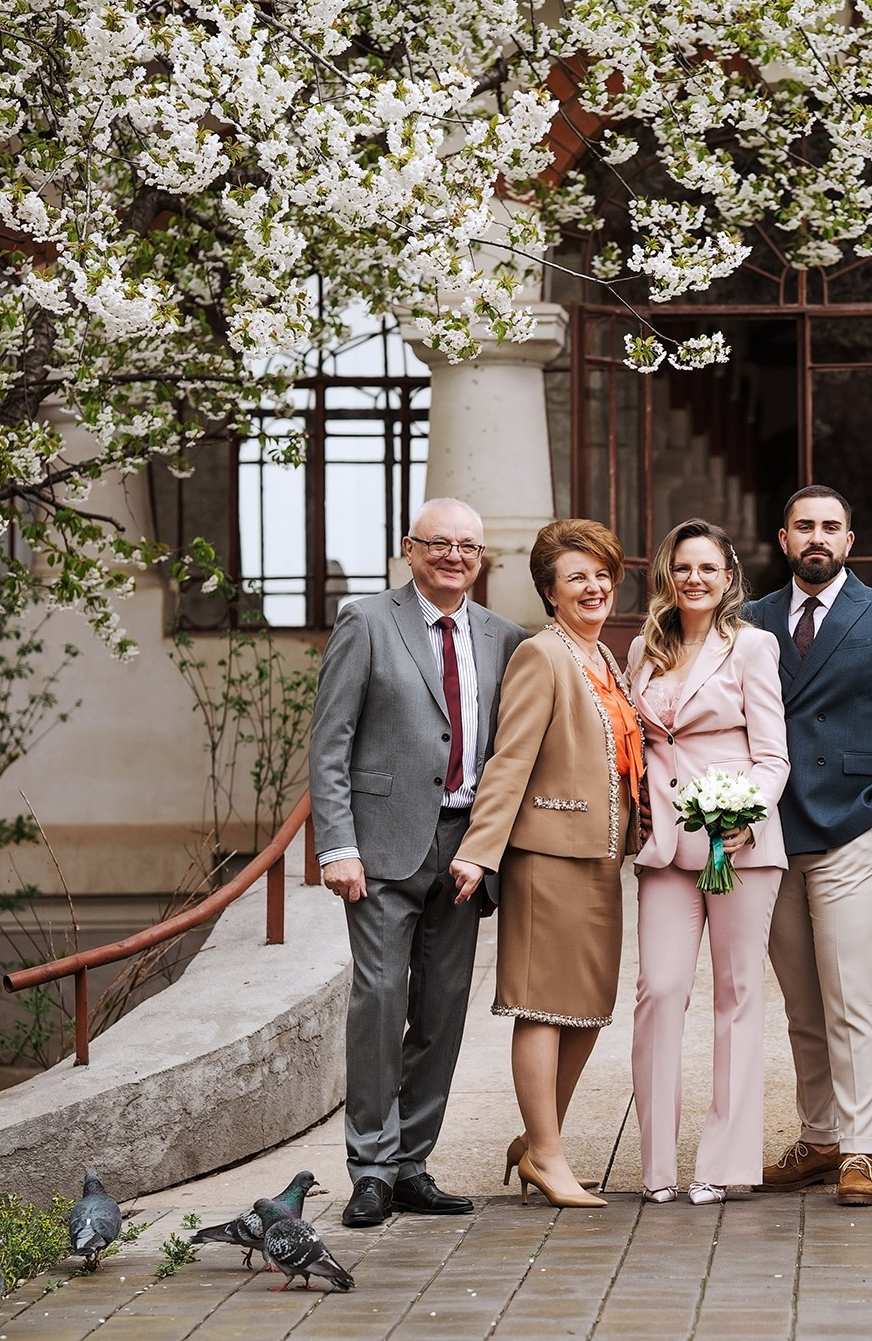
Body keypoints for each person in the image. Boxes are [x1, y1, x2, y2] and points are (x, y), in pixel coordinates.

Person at [310, 497, 528, 1228]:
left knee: (442, 1009)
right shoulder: (367, 621)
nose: (454, 555)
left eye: (468, 545)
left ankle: (411, 1164)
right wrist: (336, 844)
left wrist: (491, 844)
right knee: (379, 1001)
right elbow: (330, 740)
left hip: (466, 847)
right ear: (410, 549)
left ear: (482, 556)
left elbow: (513, 750)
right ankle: (369, 1166)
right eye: (439, 543)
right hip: (381, 847)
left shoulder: (505, 637)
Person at [744, 485, 872, 1207]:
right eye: (805, 526)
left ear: (850, 541)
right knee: (801, 999)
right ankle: (819, 1136)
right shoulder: (751, 618)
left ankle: (860, 1149)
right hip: (768, 831)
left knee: (851, 992)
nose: (817, 536)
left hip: (850, 826)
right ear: (784, 537)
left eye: (831, 526)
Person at [448, 519, 643, 1209]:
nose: (593, 587)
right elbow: (510, 760)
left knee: (589, 1009)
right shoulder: (543, 654)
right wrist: (479, 850)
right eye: (576, 577)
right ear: (549, 592)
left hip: (601, 859)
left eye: (602, 574)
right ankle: (549, 1155)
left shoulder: (605, 657)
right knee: (542, 1006)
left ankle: (537, 1143)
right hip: (547, 858)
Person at [626, 520, 790, 1205]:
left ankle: (723, 1163)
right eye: (682, 567)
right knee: (660, 990)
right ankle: (659, 1165)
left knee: (737, 995)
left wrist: (742, 815)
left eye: (708, 568)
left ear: (729, 578)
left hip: (740, 845)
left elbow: (772, 753)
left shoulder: (752, 646)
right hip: (663, 844)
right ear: (667, 575)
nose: (695, 578)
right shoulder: (642, 648)